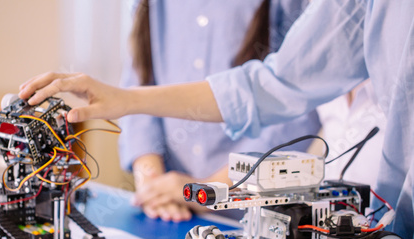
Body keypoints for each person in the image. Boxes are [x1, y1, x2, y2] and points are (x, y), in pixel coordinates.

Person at [19, 0, 414, 239]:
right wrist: (150, 164)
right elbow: (273, 86)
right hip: (178, 208)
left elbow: (288, 113)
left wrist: (206, 188)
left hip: (247, 209)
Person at [119, 0, 321, 222]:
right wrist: (152, 185)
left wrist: (213, 190)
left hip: (253, 212)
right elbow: (140, 80)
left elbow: (296, 104)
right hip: (171, 209)